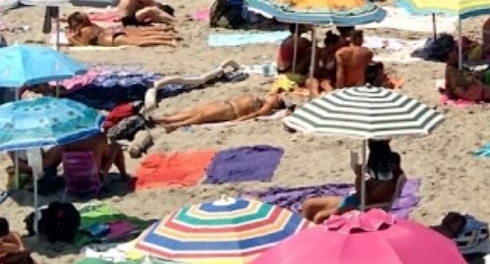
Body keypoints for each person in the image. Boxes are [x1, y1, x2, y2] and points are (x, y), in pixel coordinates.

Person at [300, 139, 403, 222]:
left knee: (319, 217)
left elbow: (365, 201)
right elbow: (361, 190)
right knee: (308, 204)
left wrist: (359, 177)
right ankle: (299, 236)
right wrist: (360, 175)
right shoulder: (379, 175)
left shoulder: (387, 185)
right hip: (353, 199)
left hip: (359, 207)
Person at [148, 90, 286, 131]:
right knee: (195, 111)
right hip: (226, 104)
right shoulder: (264, 100)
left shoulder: (267, 106)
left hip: (232, 111)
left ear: (276, 105)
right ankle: (165, 119)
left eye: (277, 98)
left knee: (202, 116)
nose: (275, 96)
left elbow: (256, 114)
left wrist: (241, 119)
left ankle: (174, 125)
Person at [65, 13, 178, 48]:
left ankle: (168, 41)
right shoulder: (92, 25)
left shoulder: (84, 31)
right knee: (143, 35)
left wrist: (73, 39)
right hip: (113, 32)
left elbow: (84, 46)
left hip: (112, 40)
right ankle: (168, 35)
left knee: (141, 41)